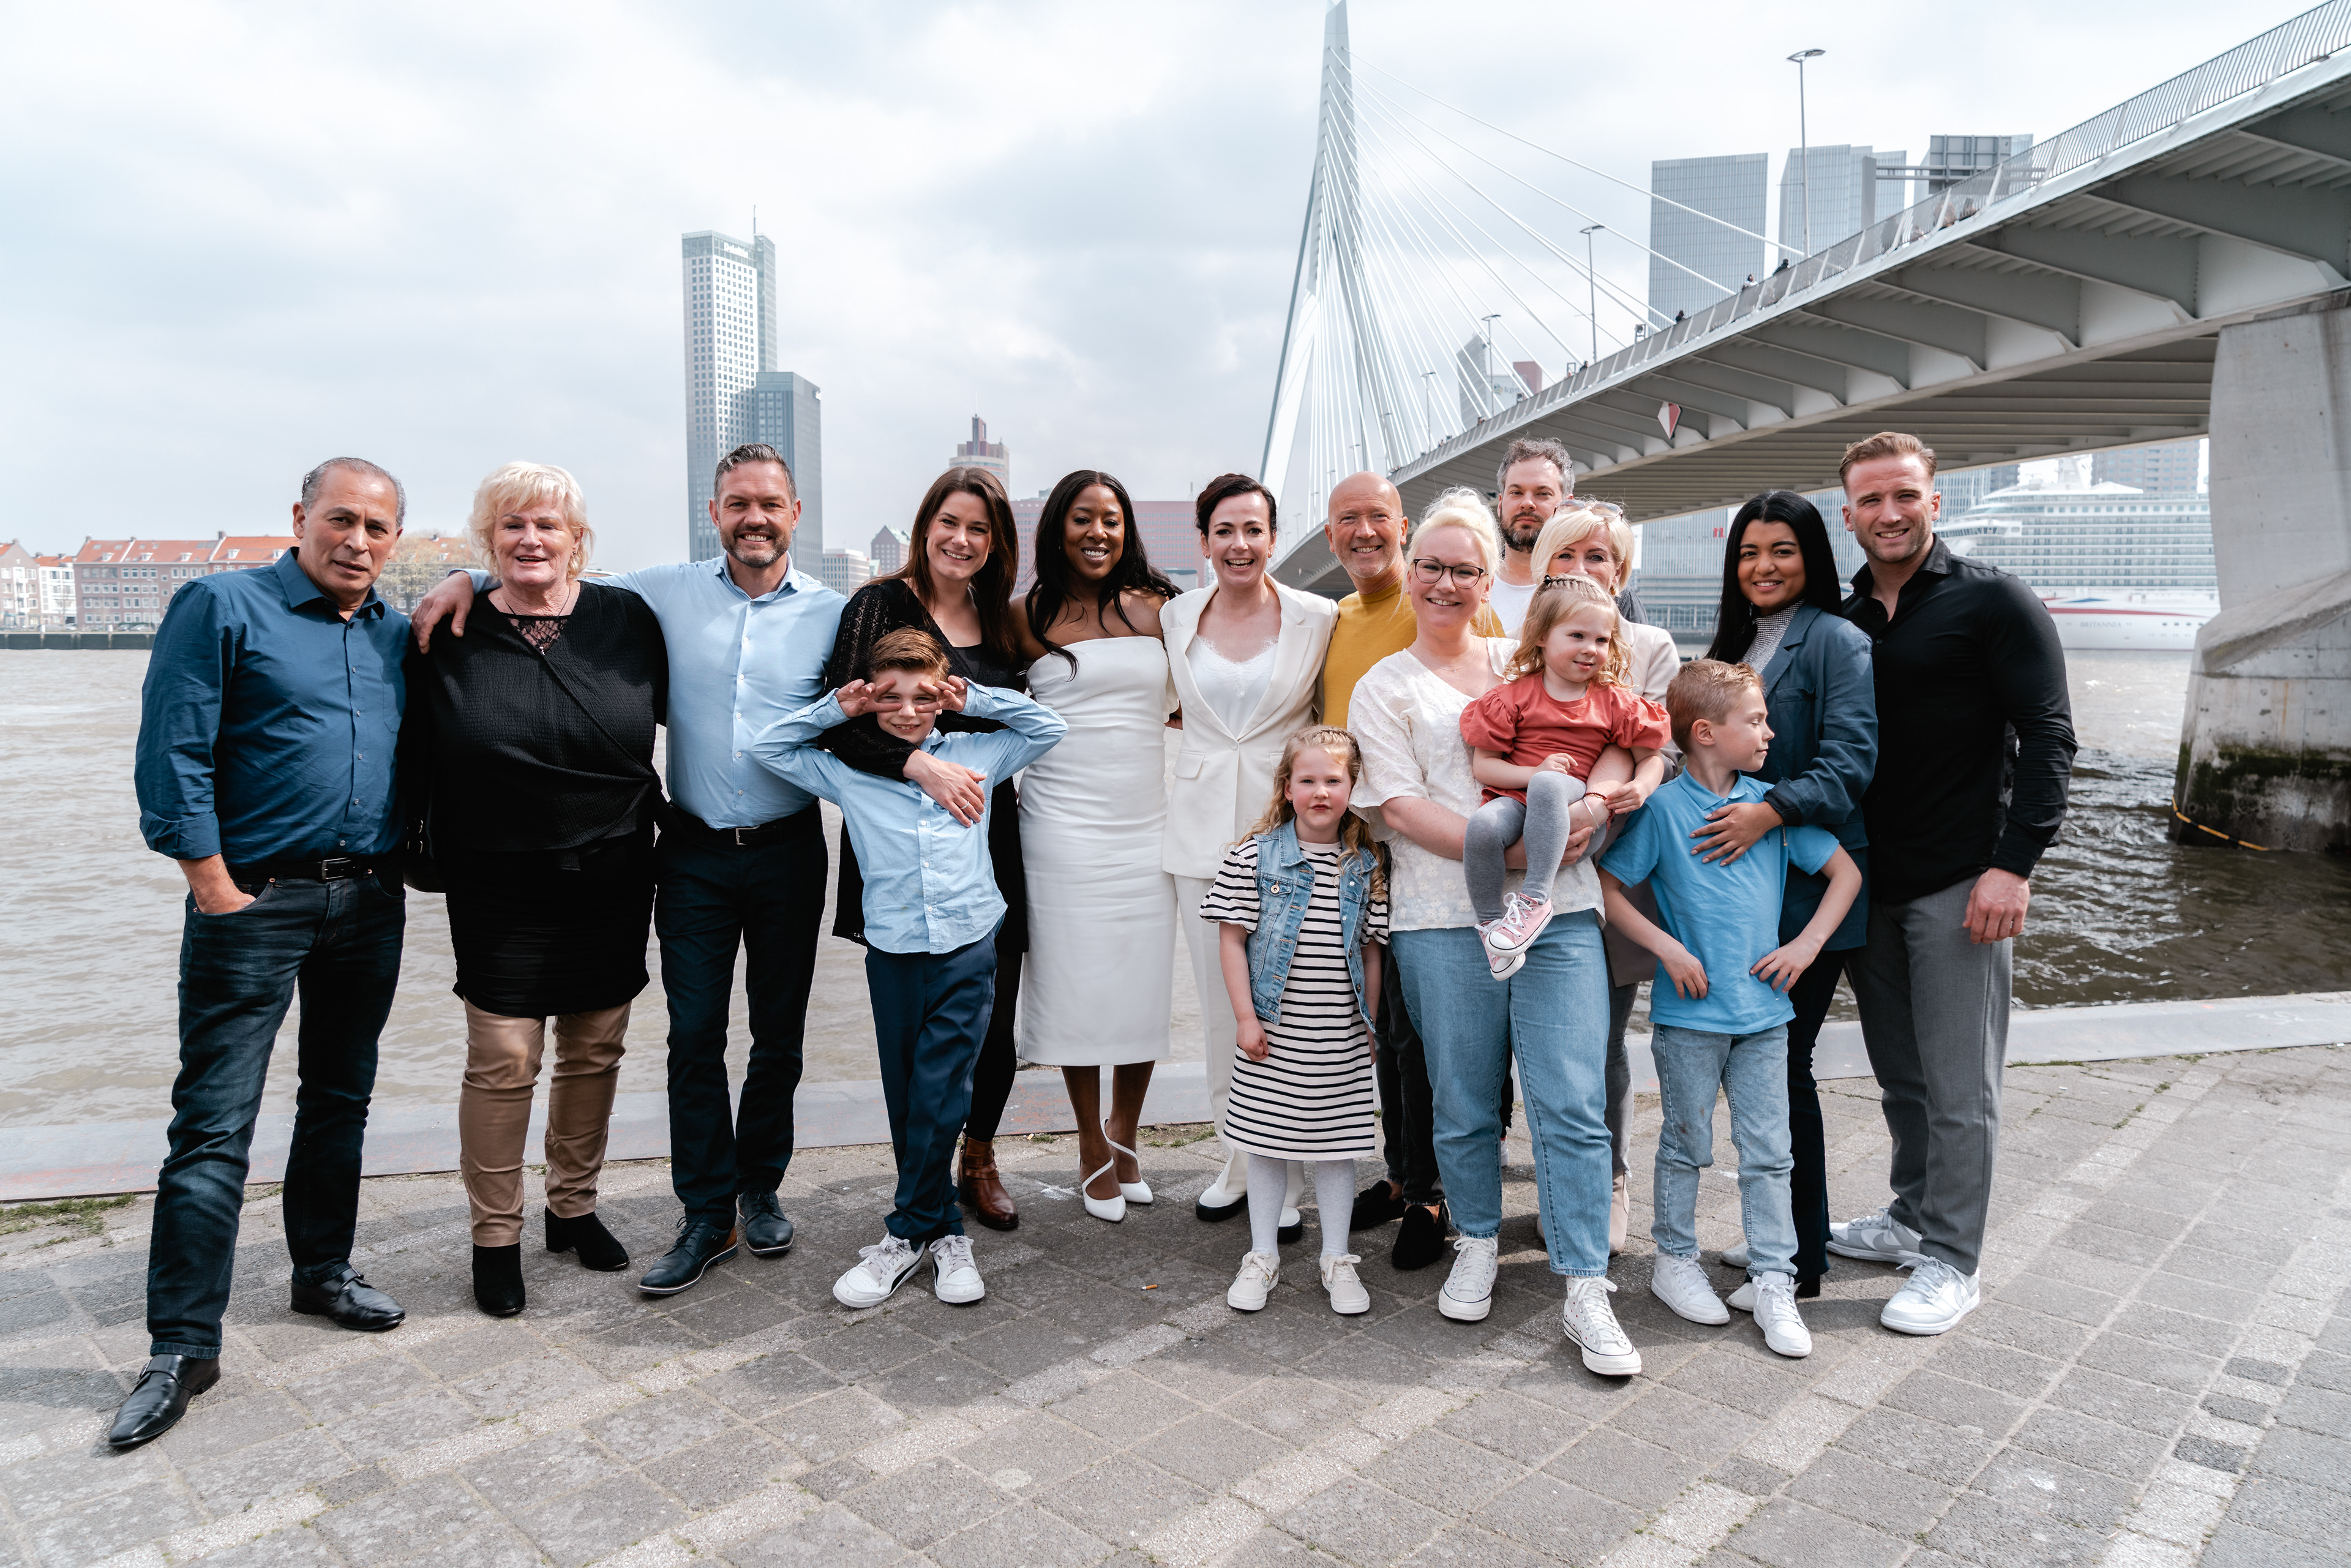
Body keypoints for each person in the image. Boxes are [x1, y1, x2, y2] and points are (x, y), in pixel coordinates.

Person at [412, 443, 846, 1297]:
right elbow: (539, 572)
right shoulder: (658, 593)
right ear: (714, 514)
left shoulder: (834, 613)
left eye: (769, 503)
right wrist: (463, 574)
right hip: (689, 853)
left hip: (789, 848)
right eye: (737, 503)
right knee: (693, 1037)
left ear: (795, 514)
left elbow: (899, 687)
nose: (754, 518)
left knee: (777, 1037)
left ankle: (759, 1188)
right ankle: (704, 1211)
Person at [117, 457, 413, 1448]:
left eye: (378, 527)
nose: (357, 541)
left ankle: (321, 1272)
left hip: (367, 898)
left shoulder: (395, 632)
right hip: (254, 898)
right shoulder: (221, 606)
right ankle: (182, 1345)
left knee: (339, 1098)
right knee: (213, 1122)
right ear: (301, 517)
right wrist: (211, 884)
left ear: (395, 541)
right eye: (341, 519)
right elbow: (173, 749)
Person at [1349, 488, 1638, 1375]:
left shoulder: (1535, 655)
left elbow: (1616, 734)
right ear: (1410, 573)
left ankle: (1585, 1281)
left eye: (1464, 569)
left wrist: (1596, 807)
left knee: (1572, 1099)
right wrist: (1516, 858)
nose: (1445, 583)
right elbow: (1401, 808)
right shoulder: (1383, 685)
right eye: (1430, 567)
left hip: (1562, 912)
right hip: (1443, 917)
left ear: (1490, 579)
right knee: (1463, 1099)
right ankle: (1475, 1236)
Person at [403, 462, 664, 1318]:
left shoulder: (628, 618)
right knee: (504, 1056)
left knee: (595, 1046)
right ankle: (494, 1235)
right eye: (511, 524)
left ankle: (572, 1207)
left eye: (548, 524)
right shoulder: (450, 626)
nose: (530, 539)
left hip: (613, 869)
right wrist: (461, 579)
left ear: (576, 538)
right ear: (488, 539)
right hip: (495, 875)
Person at [1828, 432, 2074, 1337]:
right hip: (1869, 880)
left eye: (1905, 496)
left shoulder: (1994, 600)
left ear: (1935, 501)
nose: (1889, 513)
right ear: (1848, 513)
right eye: (1871, 500)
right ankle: (1911, 1216)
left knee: (1961, 1084)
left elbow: (2049, 736)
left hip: (1962, 879)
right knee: (1902, 1074)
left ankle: (1953, 1259)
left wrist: (2014, 864)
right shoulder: (1845, 617)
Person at [752, 629, 1067, 1308]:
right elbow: (767, 747)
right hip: (893, 948)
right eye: (890, 696)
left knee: (941, 1088)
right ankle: (944, 1230)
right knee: (905, 1092)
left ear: (941, 695)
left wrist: (973, 697)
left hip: (967, 943)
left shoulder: (978, 753)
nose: (906, 710)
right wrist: (838, 708)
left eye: (922, 696)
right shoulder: (848, 769)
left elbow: (1050, 726)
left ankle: (904, 1233)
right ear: (872, 697)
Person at [1598, 661, 1862, 1360]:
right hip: (1689, 1017)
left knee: (1771, 1152)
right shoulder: (1662, 811)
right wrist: (1668, 949)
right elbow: (1610, 887)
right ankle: (1674, 1261)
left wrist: (1805, 946)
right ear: (1707, 733)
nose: (1770, 732)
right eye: (1757, 720)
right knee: (1686, 1142)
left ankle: (1775, 1277)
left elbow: (1845, 872)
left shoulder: (1771, 806)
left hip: (1766, 1016)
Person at [819, 467, 1031, 1231]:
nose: (961, 539)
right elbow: (840, 722)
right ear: (926, 525)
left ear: (996, 543)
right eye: (950, 522)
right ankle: (923, 1179)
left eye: (979, 528)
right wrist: (917, 764)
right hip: (897, 832)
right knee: (914, 1028)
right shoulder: (878, 604)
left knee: (994, 1017)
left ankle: (979, 1156)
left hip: (987, 832)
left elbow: (1027, 719)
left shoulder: (1000, 620)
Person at [1316, 472, 1504, 1269]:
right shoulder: (1332, 620)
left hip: (1449, 861)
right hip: (1365, 850)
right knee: (1393, 1030)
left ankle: (1436, 1192)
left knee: (1438, 1040)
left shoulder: (1463, 613)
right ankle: (1404, 1175)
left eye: (1378, 518)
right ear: (1329, 532)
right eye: (1347, 519)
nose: (1364, 532)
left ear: (1402, 528)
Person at [1694, 492, 1877, 1298]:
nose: (1763, 566)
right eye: (1748, 552)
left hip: (1809, 886)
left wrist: (1769, 812)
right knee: (1758, 1066)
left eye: (1782, 550)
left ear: (1814, 557)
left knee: (1783, 1066)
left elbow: (1851, 762)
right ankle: (1783, 1235)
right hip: (1743, 890)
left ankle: (1799, 1262)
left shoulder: (1836, 639)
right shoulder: (1736, 643)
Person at [1163, 473, 1337, 1236]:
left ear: (1273, 537)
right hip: (1200, 833)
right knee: (1220, 1007)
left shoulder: (1317, 616)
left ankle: (1289, 1167)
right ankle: (1235, 1157)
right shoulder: (1174, 615)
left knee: (1293, 1003)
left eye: (1254, 530)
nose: (1240, 544)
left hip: (1289, 830)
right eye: (1225, 531)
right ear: (1204, 540)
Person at [1012, 469, 1182, 1222]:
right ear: (1058, 526)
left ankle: (1126, 1134)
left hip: (1146, 821)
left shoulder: (1162, 607)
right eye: (1083, 518)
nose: (1098, 532)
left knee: (1142, 981)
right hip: (1060, 827)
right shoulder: (1025, 616)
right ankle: (1089, 1143)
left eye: (1111, 519)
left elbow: (1205, 698)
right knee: (1075, 986)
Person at [1528, 503, 1681, 1253]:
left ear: (1621, 575)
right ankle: (1548, 1174)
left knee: (1604, 1036)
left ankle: (1611, 1177)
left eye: (1600, 559)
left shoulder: (1648, 645)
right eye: (1567, 556)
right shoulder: (1519, 641)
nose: (1583, 570)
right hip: (1532, 866)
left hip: (1611, 865)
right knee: (1534, 1039)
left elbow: (1654, 746)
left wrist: (1597, 804)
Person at [1204, 728, 1387, 1317]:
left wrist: (1370, 1023)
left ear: (1353, 789)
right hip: (1274, 1032)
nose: (1320, 791)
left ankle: (1337, 1256)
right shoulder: (1253, 856)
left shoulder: (1366, 864)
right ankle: (1262, 1254)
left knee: (1336, 1148)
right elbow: (1232, 939)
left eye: (1334, 780)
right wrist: (1245, 1017)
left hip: (1339, 1032)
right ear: (1287, 788)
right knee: (1266, 1144)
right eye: (1307, 780)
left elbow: (1372, 951)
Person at [1461, 574, 1668, 978]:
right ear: (1542, 635)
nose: (1591, 649)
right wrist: (1534, 771)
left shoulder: (1614, 703)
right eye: (1577, 636)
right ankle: (1491, 928)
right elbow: (1484, 767)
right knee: (1482, 826)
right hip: (1520, 798)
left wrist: (1642, 787)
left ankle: (1535, 900)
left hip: (1573, 799)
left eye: (1602, 640)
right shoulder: (1512, 697)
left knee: (1548, 784)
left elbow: (1651, 758)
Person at [1486, 437, 1576, 633]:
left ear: (1567, 506)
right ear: (1500, 504)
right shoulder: (1466, 582)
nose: (1527, 503)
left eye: (1543, 494)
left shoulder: (1599, 588)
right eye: (1516, 493)